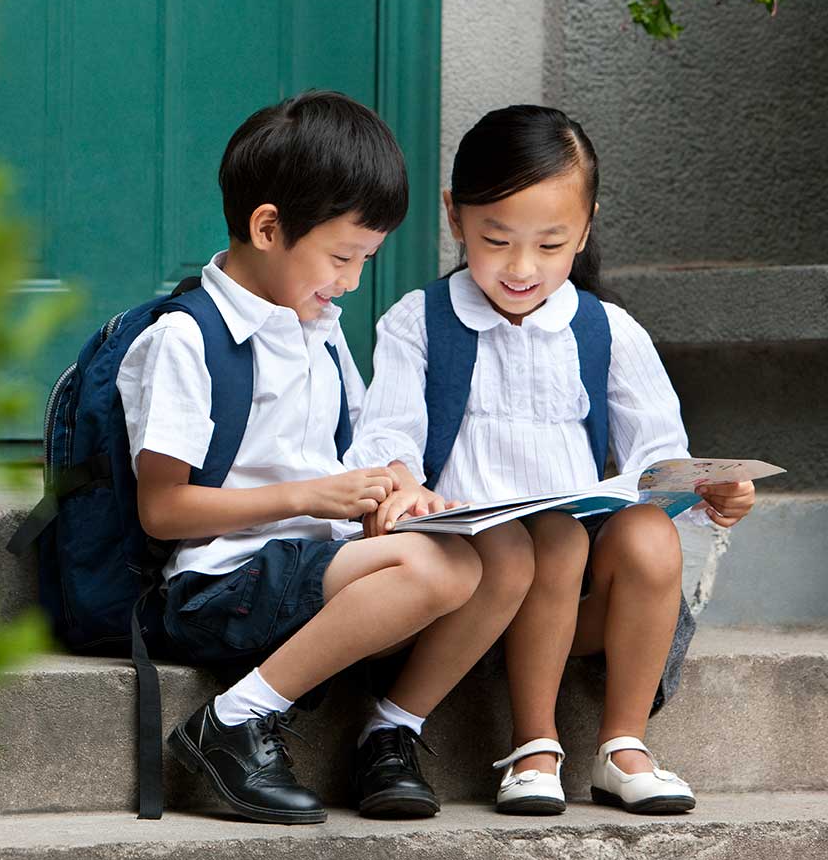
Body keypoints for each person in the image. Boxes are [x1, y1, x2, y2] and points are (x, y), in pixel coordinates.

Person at [117, 91, 535, 825]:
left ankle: (392, 729)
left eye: (365, 260)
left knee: (502, 551)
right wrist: (313, 497)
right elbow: (163, 510)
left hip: (314, 561)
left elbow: (358, 448)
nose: (350, 281)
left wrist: (399, 490)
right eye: (342, 257)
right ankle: (230, 724)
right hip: (217, 580)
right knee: (441, 567)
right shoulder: (186, 339)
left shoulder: (323, 331)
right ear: (268, 227)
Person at [347, 104, 756, 816]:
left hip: (571, 603)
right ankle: (534, 744)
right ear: (455, 217)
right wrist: (402, 487)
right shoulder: (420, 321)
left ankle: (623, 745)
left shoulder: (607, 330)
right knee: (552, 538)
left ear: (587, 227)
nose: (520, 268)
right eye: (496, 240)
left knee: (648, 534)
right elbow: (389, 443)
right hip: (468, 586)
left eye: (550, 244)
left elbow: (660, 457)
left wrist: (707, 490)